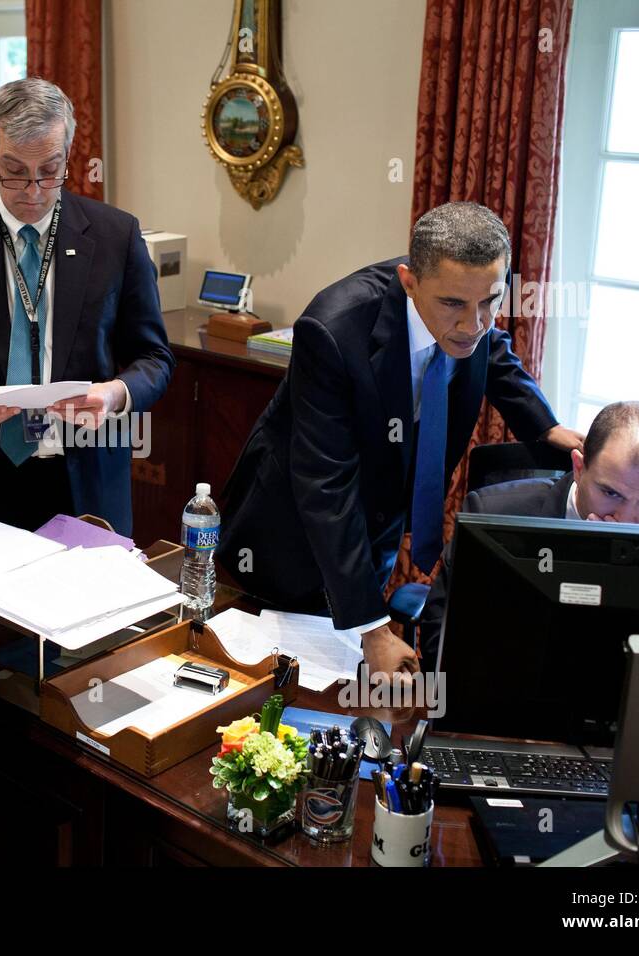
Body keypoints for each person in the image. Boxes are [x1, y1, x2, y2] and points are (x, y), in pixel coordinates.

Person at [219, 201, 583, 678]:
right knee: (276, 680)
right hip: (288, 534)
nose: (474, 322)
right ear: (410, 282)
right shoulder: (332, 330)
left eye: (491, 302)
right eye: (454, 304)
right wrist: (374, 628)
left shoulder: (468, 308)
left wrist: (544, 425)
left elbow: (490, 350)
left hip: (376, 520)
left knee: (347, 673)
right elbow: (324, 486)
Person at [0, 78, 174, 536]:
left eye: (49, 171)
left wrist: (113, 395)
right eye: (14, 171)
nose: (33, 189)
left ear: (68, 155)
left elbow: (155, 359)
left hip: (88, 480)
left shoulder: (116, 237)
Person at [417, 400, 639, 669]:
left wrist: (636, 578)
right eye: (610, 493)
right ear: (578, 467)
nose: (627, 518)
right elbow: (438, 641)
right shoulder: (495, 512)